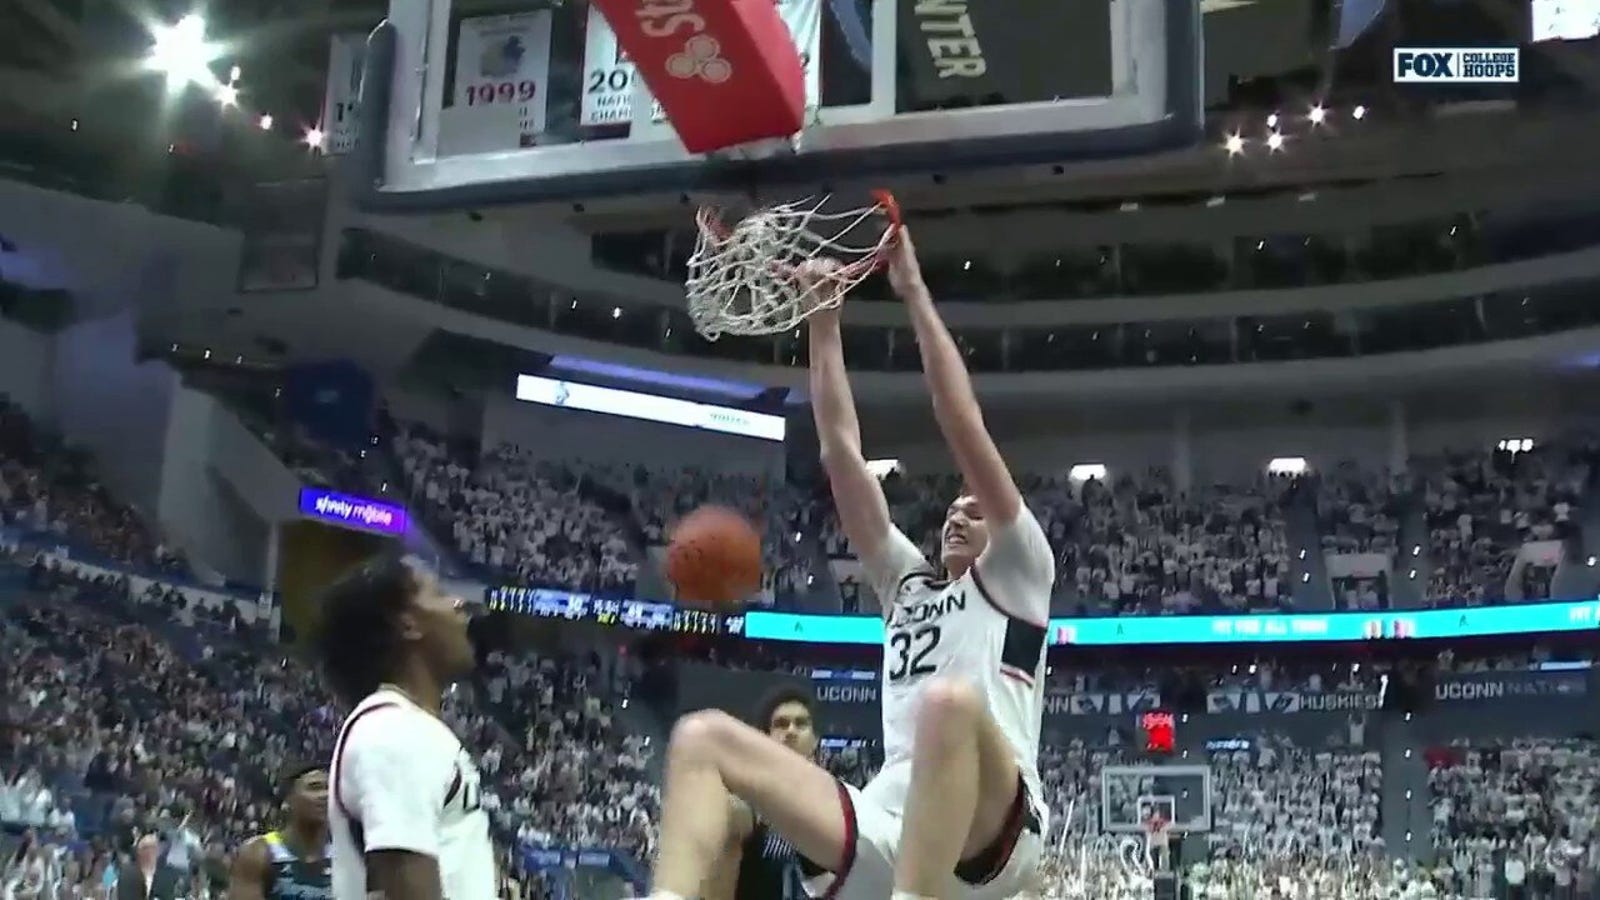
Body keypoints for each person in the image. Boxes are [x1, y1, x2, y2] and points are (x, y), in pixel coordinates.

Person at [639, 230, 1054, 900]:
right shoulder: (906, 583)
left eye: (973, 512)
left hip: (994, 828)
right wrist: (824, 321)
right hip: (894, 822)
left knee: (948, 704)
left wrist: (912, 292)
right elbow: (839, 452)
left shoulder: (1022, 568)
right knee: (700, 738)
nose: (957, 514)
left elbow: (961, 422)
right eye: (951, 509)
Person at [313, 553, 494, 900]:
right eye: (439, 594)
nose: (458, 604)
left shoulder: (405, 728)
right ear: (408, 624)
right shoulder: (395, 731)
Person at [703, 685, 823, 900]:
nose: (791, 731)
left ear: (815, 740)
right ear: (765, 739)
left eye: (801, 723)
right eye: (781, 724)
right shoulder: (747, 805)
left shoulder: (838, 803)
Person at [228, 764, 333, 900]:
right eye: (314, 787)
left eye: (329, 788)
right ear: (287, 801)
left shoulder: (347, 852)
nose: (325, 795)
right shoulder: (258, 853)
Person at [115, 834, 184, 900]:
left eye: (153, 848)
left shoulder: (166, 874)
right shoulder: (128, 873)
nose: (150, 853)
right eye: (145, 848)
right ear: (139, 852)